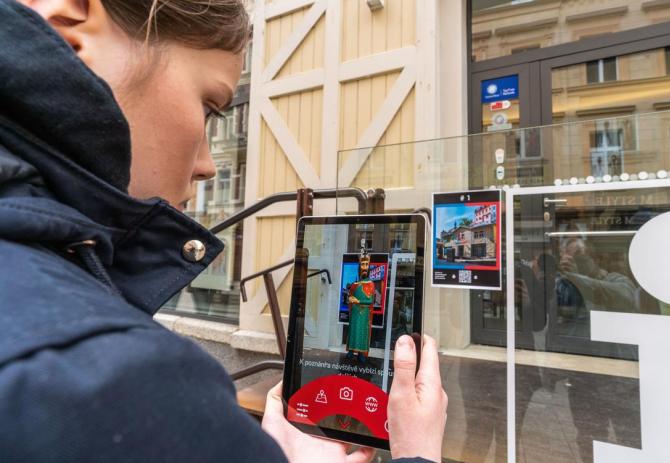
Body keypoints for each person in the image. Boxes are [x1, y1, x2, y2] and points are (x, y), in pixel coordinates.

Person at [0, 1, 447, 462]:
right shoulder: (115, 378)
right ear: (70, 28)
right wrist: (418, 453)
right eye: (211, 108)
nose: (209, 167)